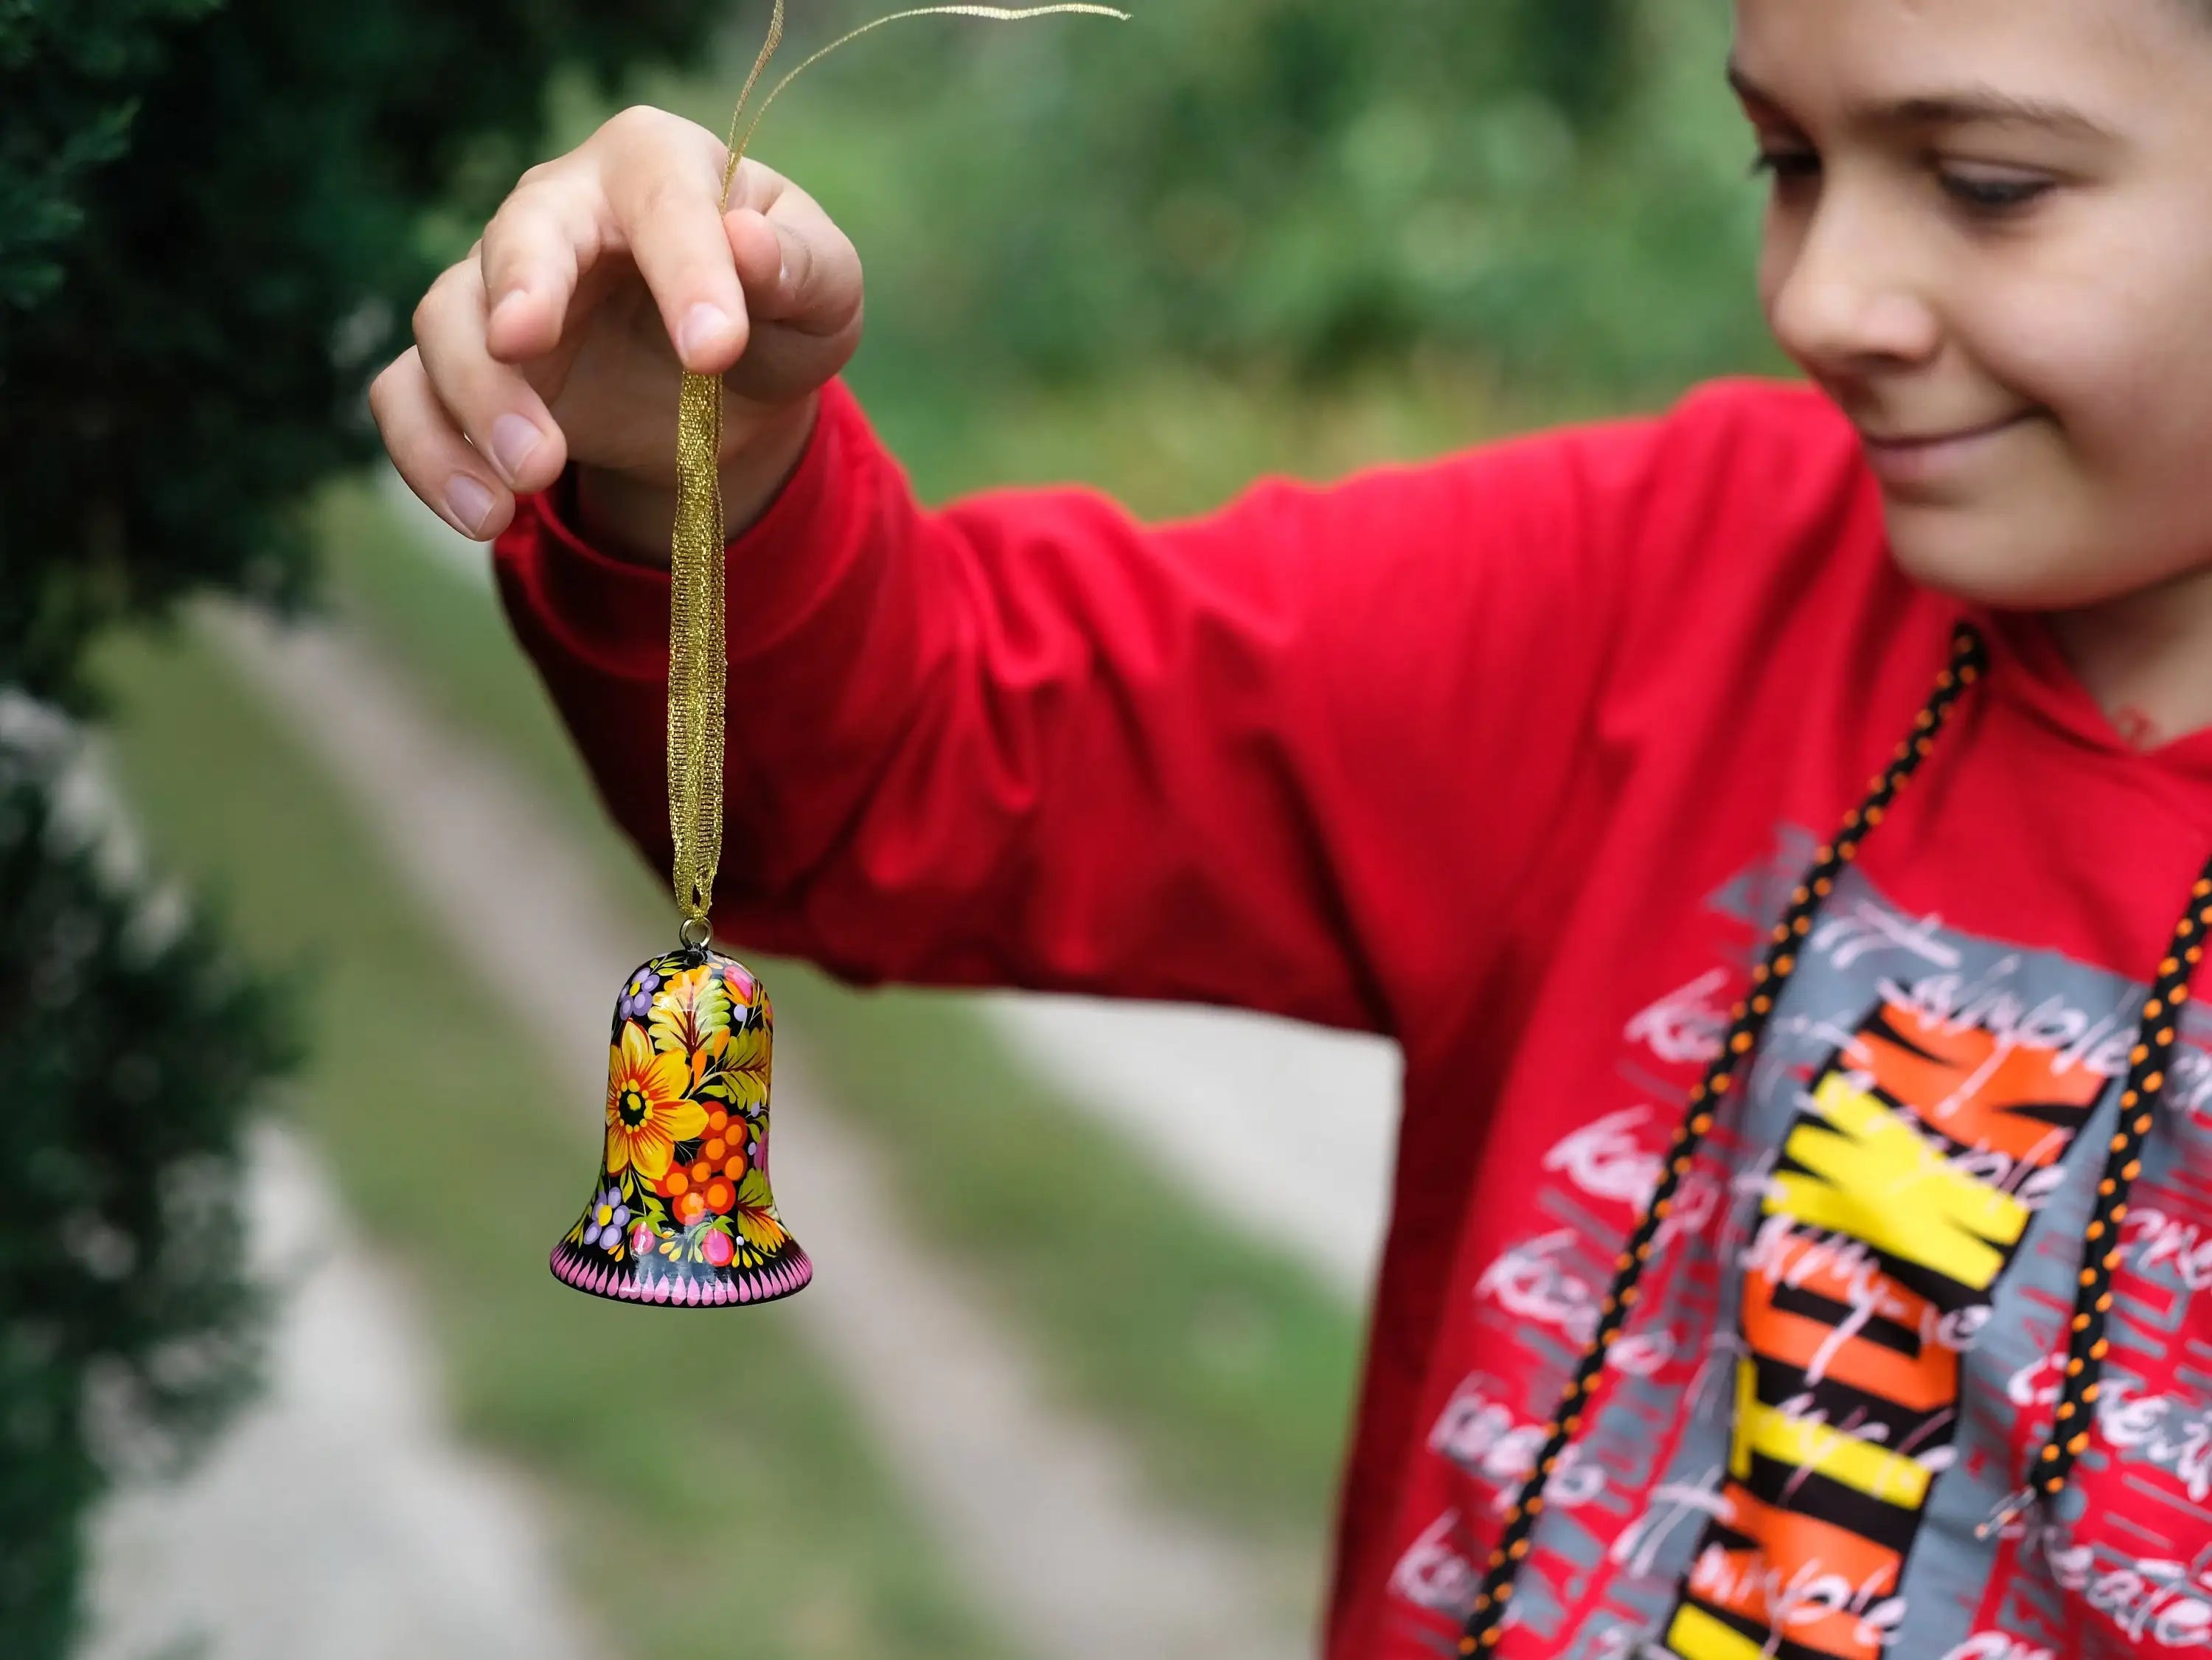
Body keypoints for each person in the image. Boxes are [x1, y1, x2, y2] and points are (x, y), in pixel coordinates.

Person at [369, 0, 2212, 1653]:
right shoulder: (1677, 594)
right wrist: (707, 459)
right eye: (1787, 160)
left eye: (1987, 185)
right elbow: (916, 760)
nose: (1818, 298)